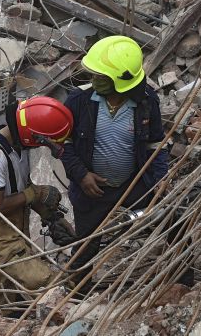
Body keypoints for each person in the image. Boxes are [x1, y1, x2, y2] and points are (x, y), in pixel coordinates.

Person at [61, 35, 193, 289]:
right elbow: (63, 145)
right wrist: (81, 175)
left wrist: (160, 182)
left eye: (102, 76)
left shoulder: (145, 101)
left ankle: (185, 283)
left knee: (172, 222)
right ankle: (77, 293)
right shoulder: (79, 101)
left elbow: (155, 145)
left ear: (121, 82)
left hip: (134, 184)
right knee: (86, 247)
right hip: (92, 189)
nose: (94, 79)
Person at [0, 96, 76, 305]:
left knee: (6, 291)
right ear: (32, 135)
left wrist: (50, 217)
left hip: (17, 225)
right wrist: (35, 194)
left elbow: (23, 188)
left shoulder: (18, 148)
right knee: (47, 282)